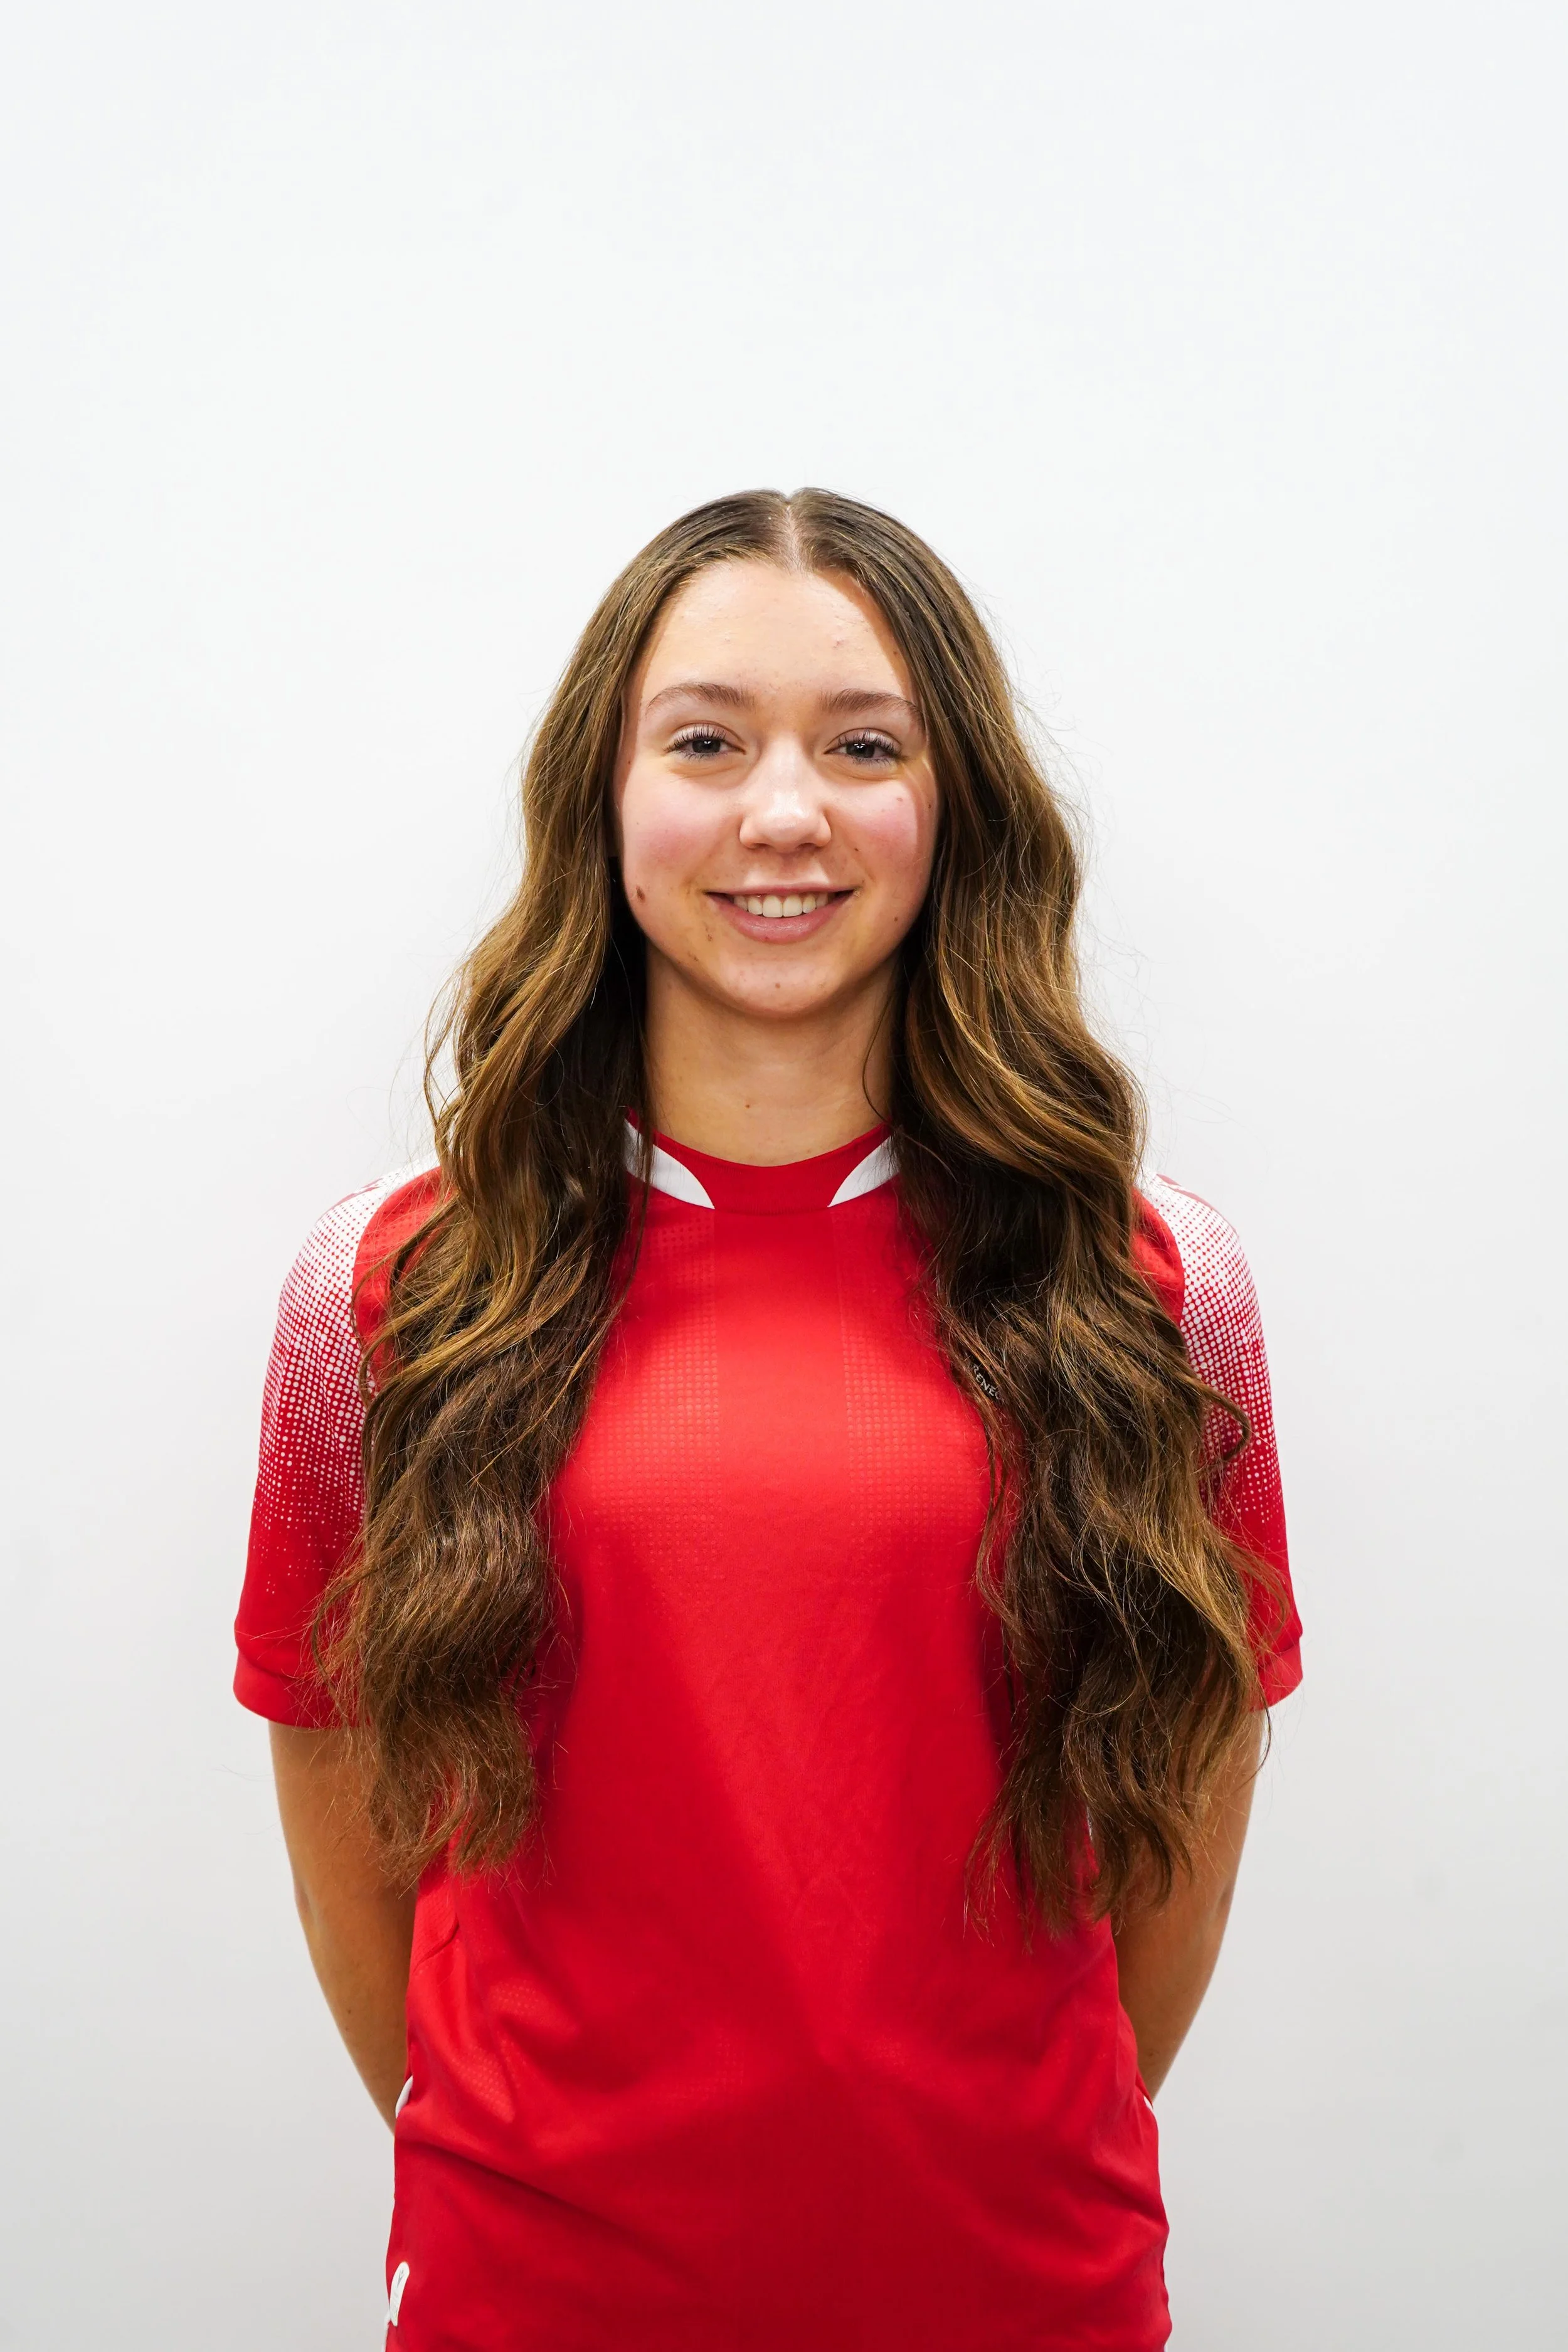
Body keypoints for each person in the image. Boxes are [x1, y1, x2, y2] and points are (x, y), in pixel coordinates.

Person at [235, 488, 1301, 2351]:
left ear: (949, 801)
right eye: (707, 741)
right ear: (605, 795)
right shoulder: (391, 1288)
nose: (784, 812)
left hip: (1020, 2290)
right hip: (530, 2298)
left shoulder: (1154, 1286)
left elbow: (1180, 1825)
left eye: (862, 744)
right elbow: (348, 1804)